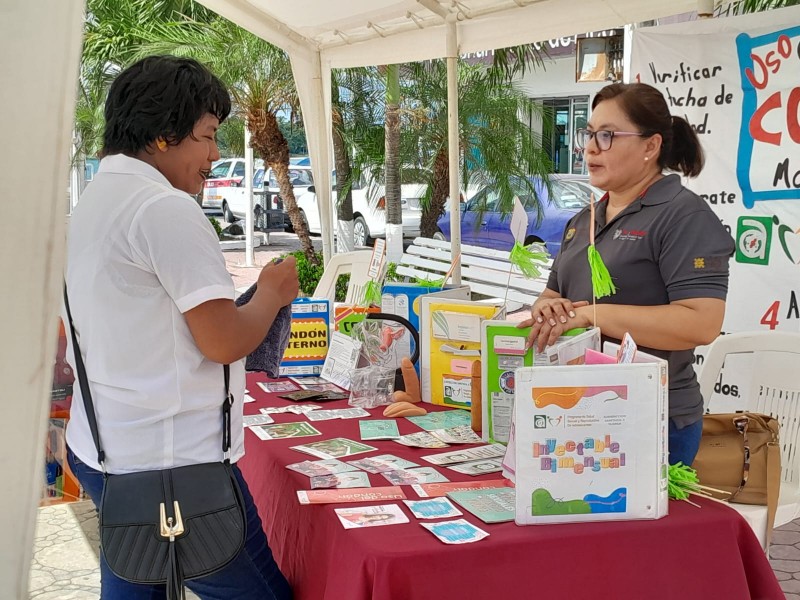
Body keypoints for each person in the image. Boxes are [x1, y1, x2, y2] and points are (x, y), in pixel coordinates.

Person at [63, 55, 298, 599]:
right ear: (164, 134)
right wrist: (270, 293)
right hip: (174, 466)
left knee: (134, 580)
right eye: (207, 136)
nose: (215, 155)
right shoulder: (163, 208)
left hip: (109, 445)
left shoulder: (93, 202)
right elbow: (223, 341)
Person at [521, 82, 734, 467]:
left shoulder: (684, 216)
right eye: (588, 134)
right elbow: (553, 295)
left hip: (651, 417)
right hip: (577, 409)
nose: (589, 148)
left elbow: (701, 323)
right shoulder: (584, 218)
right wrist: (549, 310)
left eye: (607, 136)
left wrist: (591, 315)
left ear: (650, 147)